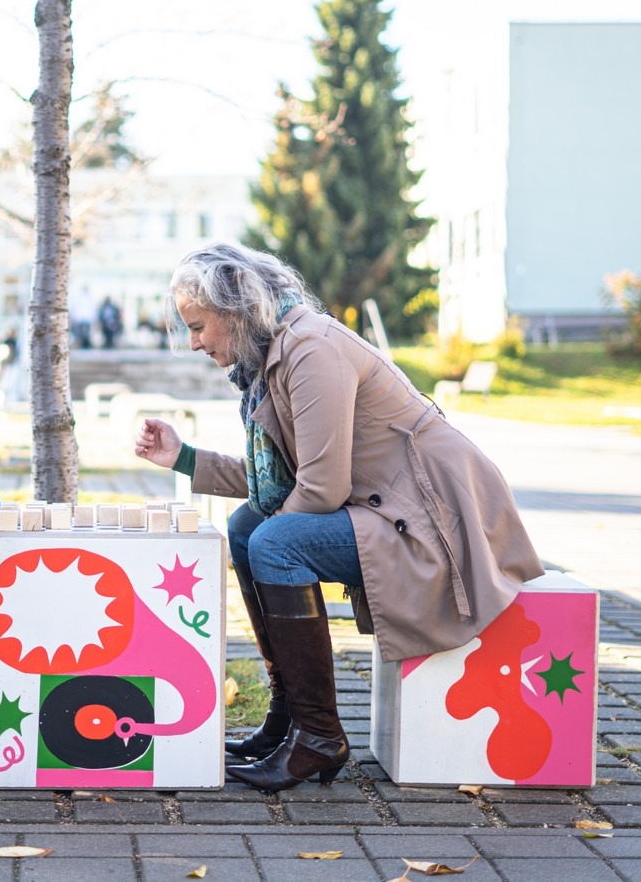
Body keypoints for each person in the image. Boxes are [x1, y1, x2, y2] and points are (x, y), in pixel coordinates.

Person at [134, 243, 543, 791]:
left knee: (272, 541)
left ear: (234, 310)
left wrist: (274, 539)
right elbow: (283, 479)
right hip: (389, 509)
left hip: (437, 523)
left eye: (198, 326)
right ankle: (289, 718)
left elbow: (322, 489)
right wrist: (184, 458)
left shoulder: (310, 350)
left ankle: (320, 736)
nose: (194, 343)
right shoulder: (277, 352)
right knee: (249, 528)